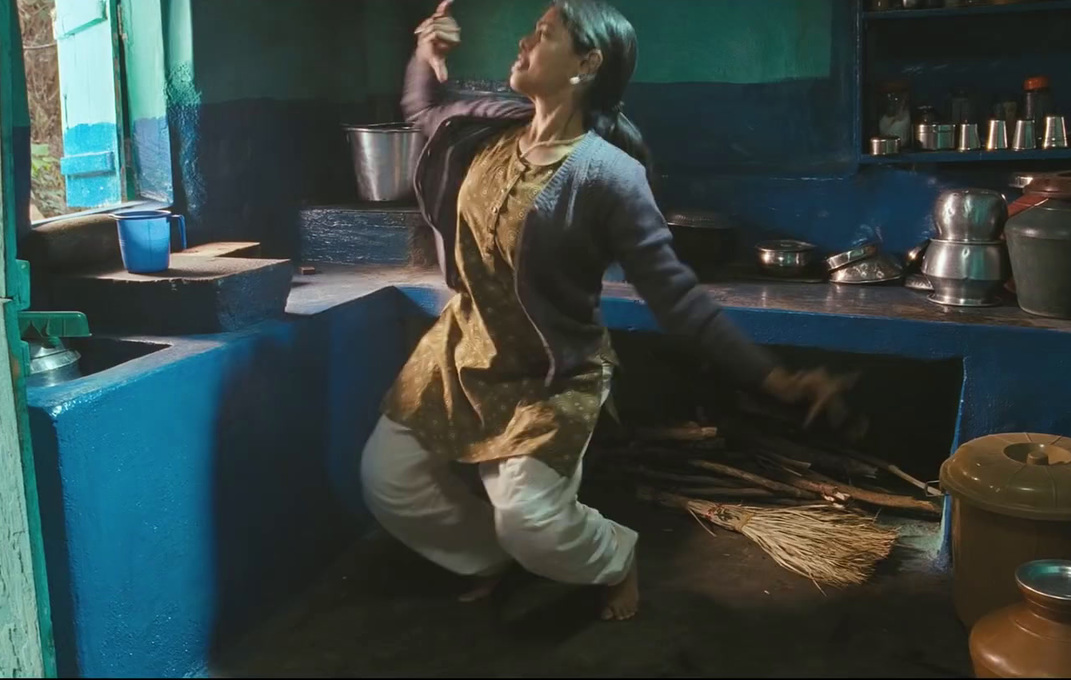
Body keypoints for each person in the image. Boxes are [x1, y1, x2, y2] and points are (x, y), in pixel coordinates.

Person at [360, 0, 858, 622]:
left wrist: (772, 375)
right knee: (389, 477)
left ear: (587, 63)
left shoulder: (608, 175)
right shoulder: (489, 128)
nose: (523, 42)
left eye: (543, 35)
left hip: (547, 373)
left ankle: (614, 556)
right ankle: (484, 557)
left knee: (533, 524)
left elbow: (674, 295)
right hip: (459, 346)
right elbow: (424, 111)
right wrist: (425, 58)